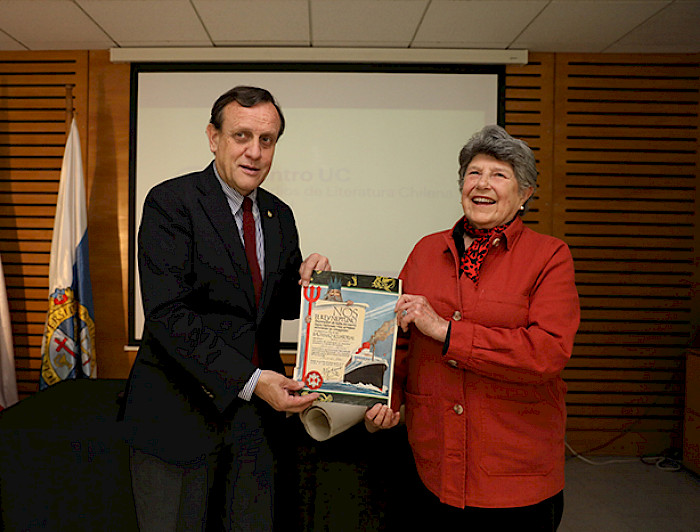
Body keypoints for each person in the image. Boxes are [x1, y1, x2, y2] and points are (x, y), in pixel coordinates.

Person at [119, 86, 330, 531]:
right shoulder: (171, 203)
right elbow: (168, 315)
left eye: (267, 140)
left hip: (255, 426)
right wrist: (252, 381)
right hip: (177, 418)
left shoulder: (279, 214)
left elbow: (279, 305)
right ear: (213, 138)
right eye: (241, 136)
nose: (254, 152)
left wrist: (313, 283)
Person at [366, 125, 580, 530]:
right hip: (431, 464)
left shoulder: (550, 256)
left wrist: (447, 331)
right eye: (474, 173)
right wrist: (387, 399)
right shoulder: (426, 250)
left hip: (515, 474)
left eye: (499, 175)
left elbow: (547, 352)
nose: (483, 184)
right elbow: (399, 342)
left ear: (525, 194)